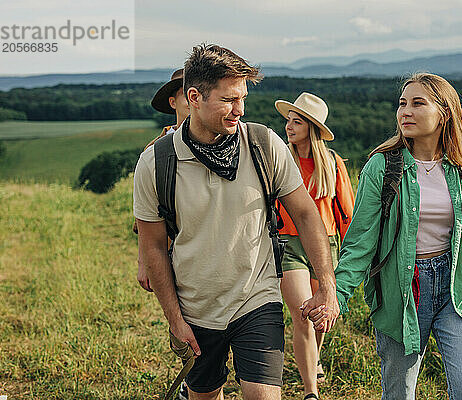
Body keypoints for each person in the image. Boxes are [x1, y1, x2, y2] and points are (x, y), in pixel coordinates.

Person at [133, 44, 339, 400]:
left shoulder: (263, 144)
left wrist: (327, 283)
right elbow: (152, 244)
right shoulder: (156, 161)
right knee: (204, 395)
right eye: (228, 100)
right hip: (195, 306)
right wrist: (174, 320)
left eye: (242, 98)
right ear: (194, 97)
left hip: (256, 298)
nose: (239, 111)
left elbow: (306, 213)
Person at [319, 73, 462, 399]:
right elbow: (361, 241)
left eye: (418, 103)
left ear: (444, 113)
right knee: (399, 394)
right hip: (402, 290)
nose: (405, 111)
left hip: (457, 291)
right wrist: (337, 295)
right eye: (402, 103)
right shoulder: (382, 166)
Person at [273, 93, 354, 400]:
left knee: (321, 316)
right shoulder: (281, 160)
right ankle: (311, 391)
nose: (289, 127)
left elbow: (346, 212)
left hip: (326, 246)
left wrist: (349, 256)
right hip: (289, 244)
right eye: (288, 121)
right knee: (302, 314)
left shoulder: (332, 164)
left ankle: (312, 360)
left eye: (296, 122)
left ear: (312, 128)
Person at [134, 67, 190, 292]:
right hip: (170, 246)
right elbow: (143, 216)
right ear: (173, 102)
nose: (193, 100)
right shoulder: (156, 150)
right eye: (186, 94)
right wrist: (143, 262)